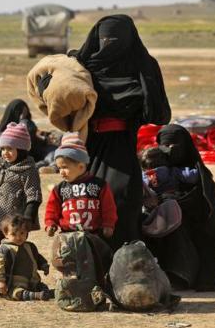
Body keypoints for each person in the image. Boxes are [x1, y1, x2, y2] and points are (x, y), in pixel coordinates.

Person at [68, 14, 170, 249]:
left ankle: (126, 261)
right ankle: (89, 263)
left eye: (115, 39)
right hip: (90, 145)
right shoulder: (82, 65)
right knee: (86, 199)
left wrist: (145, 89)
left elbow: (158, 113)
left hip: (122, 144)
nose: (109, 44)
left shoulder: (142, 67)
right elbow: (61, 95)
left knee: (123, 200)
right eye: (105, 39)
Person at [145, 124, 215, 291]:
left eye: (175, 146)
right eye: (166, 146)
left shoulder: (198, 174)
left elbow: (207, 214)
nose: (171, 150)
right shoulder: (153, 169)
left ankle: (187, 275)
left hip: (195, 228)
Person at [0, 122, 42, 251]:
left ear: (21, 149)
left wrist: (27, 218)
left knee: (13, 249)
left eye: (10, 149)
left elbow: (34, 195)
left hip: (15, 222)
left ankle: (13, 270)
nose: (5, 153)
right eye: (3, 149)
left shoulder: (28, 170)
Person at [43, 133, 117, 239]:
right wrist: (50, 223)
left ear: (81, 166)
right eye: (59, 168)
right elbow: (52, 209)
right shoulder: (60, 189)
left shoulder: (99, 186)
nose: (61, 172)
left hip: (94, 236)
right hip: (67, 236)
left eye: (64, 167)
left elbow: (109, 207)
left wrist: (108, 225)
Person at [0, 99, 53, 169]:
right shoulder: (5, 134)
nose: (22, 116)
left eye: (25, 113)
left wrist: (43, 138)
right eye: (21, 113)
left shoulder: (27, 124)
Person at [0, 214, 52, 301]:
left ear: (26, 232)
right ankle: (34, 295)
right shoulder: (5, 249)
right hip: (14, 282)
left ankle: (47, 293)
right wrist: (1, 281)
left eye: (22, 233)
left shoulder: (29, 246)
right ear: (6, 234)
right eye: (14, 234)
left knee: (41, 286)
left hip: (32, 280)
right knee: (16, 293)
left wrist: (44, 265)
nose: (18, 237)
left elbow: (37, 257)